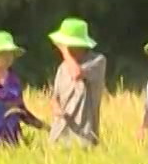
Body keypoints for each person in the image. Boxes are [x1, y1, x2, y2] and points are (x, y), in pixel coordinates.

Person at [46, 17, 107, 148]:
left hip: (84, 137)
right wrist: (56, 108)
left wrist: (64, 51)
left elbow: (76, 74)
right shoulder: (62, 67)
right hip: (59, 136)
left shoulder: (97, 61)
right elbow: (54, 97)